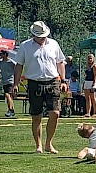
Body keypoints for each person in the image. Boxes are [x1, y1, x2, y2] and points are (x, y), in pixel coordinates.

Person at [12, 20, 67, 154]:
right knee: (36, 116)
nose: (42, 38)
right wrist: (15, 83)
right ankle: (39, 145)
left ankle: (49, 143)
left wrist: (64, 80)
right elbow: (18, 65)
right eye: (40, 36)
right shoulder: (25, 46)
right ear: (33, 35)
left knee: (55, 113)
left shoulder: (53, 44)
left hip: (53, 81)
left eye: (44, 36)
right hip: (34, 83)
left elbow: (60, 62)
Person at [0, 50, 16, 117]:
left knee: (7, 95)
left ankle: (10, 110)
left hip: (11, 81)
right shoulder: (0, 62)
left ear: (5, 54)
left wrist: (17, 80)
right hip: (4, 81)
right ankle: (11, 111)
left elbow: (17, 69)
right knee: (8, 97)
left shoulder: (11, 62)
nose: (0, 55)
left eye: (1, 54)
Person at [83, 53, 96, 118]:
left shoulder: (94, 66)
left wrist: (94, 84)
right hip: (87, 82)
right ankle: (88, 113)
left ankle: (95, 112)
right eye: (88, 58)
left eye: (91, 58)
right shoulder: (87, 66)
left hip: (92, 82)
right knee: (87, 98)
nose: (89, 59)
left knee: (93, 98)